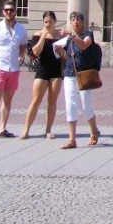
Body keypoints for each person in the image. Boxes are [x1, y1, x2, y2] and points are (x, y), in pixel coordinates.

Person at [54, 11, 101, 149]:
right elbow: (68, 56)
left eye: (78, 19)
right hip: (69, 73)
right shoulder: (69, 39)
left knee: (86, 106)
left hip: (85, 74)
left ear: (82, 22)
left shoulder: (88, 35)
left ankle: (94, 130)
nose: (75, 22)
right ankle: (72, 139)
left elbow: (83, 45)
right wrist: (59, 50)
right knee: (70, 104)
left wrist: (72, 36)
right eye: (73, 19)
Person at [0, 0, 28, 139]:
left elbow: (23, 47)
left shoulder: (21, 29)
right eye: (6, 10)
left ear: (16, 11)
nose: (9, 12)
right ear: (3, 12)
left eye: (11, 10)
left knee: (8, 100)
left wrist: (20, 56)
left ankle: (2, 128)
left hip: (13, 68)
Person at [19, 11, 64, 139]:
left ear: (55, 21)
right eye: (46, 22)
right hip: (42, 70)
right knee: (35, 101)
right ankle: (26, 130)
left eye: (50, 21)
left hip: (56, 71)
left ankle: (48, 130)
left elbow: (64, 54)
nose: (48, 24)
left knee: (52, 101)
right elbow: (35, 52)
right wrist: (44, 36)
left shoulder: (59, 36)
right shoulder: (38, 35)